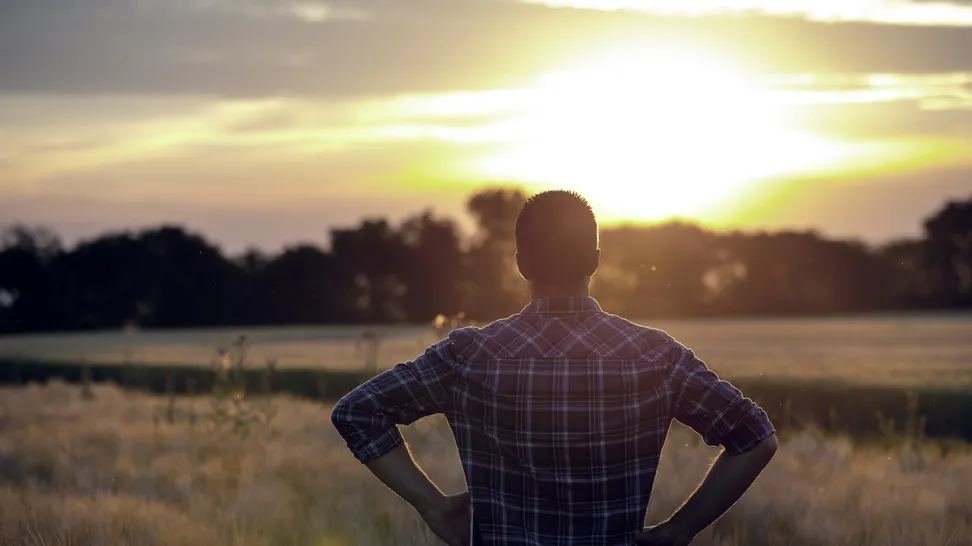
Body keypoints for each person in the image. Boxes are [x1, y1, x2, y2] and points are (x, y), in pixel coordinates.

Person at [331, 190, 777, 545]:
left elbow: (357, 413)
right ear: (596, 262)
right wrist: (680, 530)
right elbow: (755, 439)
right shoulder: (655, 356)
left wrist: (432, 506)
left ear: (521, 264)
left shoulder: (467, 356)